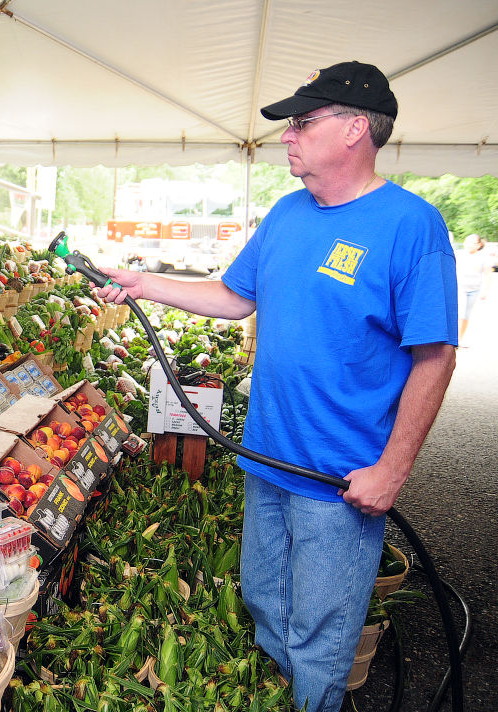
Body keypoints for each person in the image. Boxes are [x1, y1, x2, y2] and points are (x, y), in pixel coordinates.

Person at [95, 61, 457, 712]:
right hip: (267, 459)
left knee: (321, 632)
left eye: (302, 122)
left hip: (340, 481)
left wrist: (393, 471)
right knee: (264, 599)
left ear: (353, 130)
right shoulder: (287, 215)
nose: (286, 136)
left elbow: (435, 358)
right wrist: (146, 284)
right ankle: (278, 695)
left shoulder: (410, 226)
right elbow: (235, 298)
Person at [456, 233, 488, 341]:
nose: (469, 245)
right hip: (460, 287)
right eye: (467, 242)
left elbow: (487, 275)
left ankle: (460, 338)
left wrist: (484, 291)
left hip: (475, 289)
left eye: (472, 242)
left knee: (466, 315)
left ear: (479, 245)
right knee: (461, 312)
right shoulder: (458, 254)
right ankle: (455, 339)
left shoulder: (483, 257)